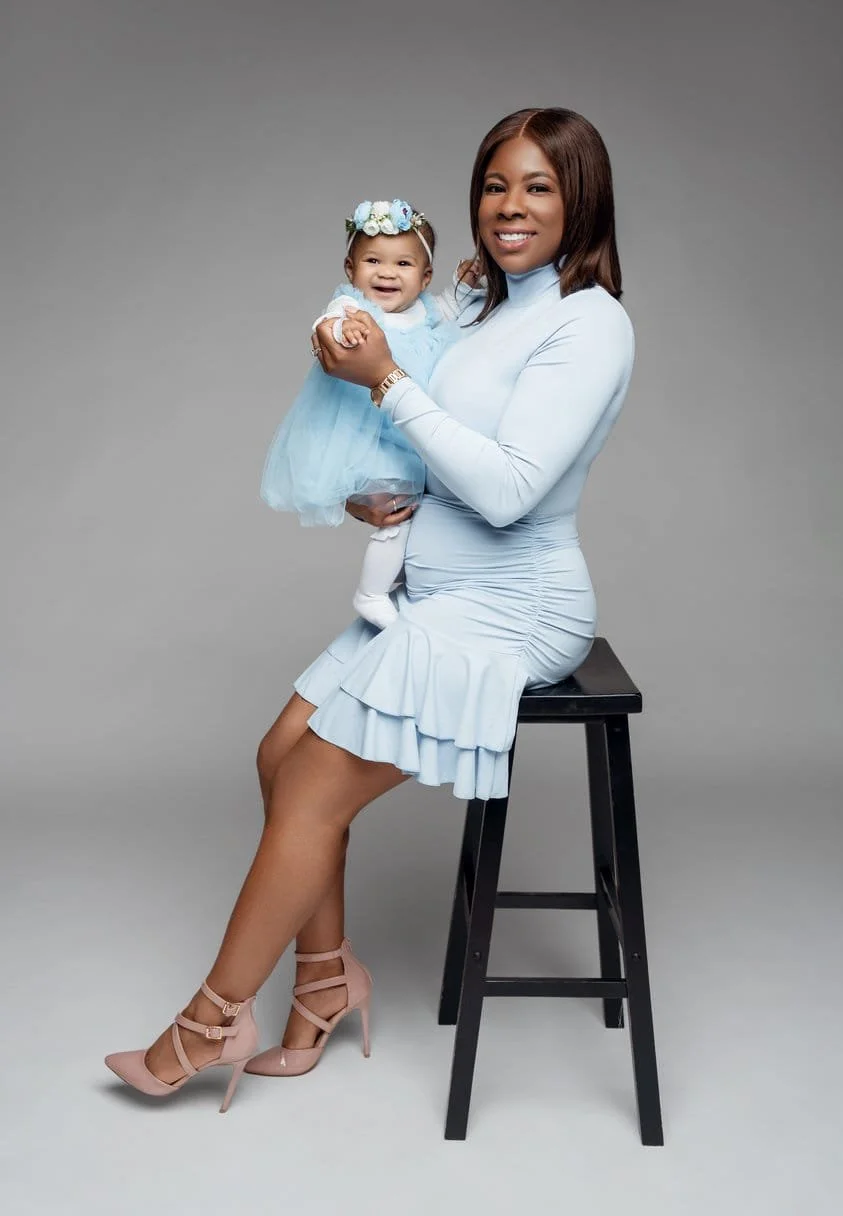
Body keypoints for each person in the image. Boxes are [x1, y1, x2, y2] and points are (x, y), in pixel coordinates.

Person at [104, 106, 636, 1111]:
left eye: (538, 186)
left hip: (514, 608)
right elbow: (436, 446)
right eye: (495, 185)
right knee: (279, 754)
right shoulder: (484, 308)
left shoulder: (588, 321)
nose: (510, 206)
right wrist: (376, 488)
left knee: (312, 786)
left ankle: (209, 1024)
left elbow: (509, 489)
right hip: (435, 593)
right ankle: (324, 985)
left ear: (582, 200)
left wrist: (385, 380)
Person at [260, 199, 477, 629]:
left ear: (425, 276)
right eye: (373, 261)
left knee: (423, 518)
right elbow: (326, 325)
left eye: (403, 263)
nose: (386, 273)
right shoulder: (354, 308)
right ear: (350, 269)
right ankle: (371, 593)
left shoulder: (426, 311)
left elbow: (451, 308)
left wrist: (464, 286)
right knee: (398, 516)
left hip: (411, 432)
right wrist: (344, 329)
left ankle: (402, 581)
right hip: (372, 439)